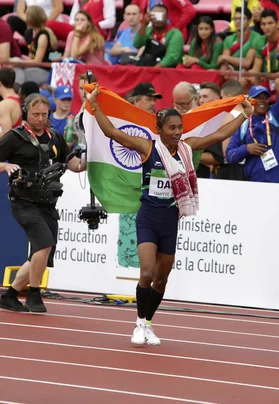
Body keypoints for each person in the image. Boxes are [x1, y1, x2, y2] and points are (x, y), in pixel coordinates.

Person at [88, 85, 254, 345]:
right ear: (159, 130)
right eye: (172, 128)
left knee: (162, 278)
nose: (177, 132)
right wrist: (94, 105)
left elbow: (220, 133)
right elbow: (111, 132)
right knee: (146, 273)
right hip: (148, 218)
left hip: (170, 221)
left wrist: (244, 114)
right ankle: (138, 323)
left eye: (180, 128)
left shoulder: (188, 148)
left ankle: (149, 324)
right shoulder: (147, 148)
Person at [0, 94, 86, 312]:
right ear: (25, 113)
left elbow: (72, 164)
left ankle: (9, 296)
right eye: (35, 114)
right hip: (23, 201)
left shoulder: (55, 137)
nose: (40, 119)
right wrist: (5, 167)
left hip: (48, 202)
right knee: (43, 244)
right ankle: (34, 294)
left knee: (41, 254)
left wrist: (88, 162)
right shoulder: (14, 137)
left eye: (44, 115)